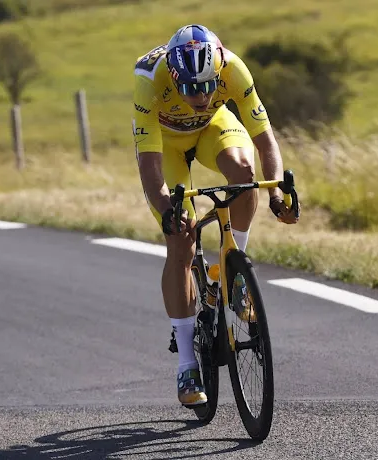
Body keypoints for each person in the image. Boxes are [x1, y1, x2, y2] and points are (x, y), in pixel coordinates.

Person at [132, 24, 299, 407]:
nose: (203, 97)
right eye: (191, 89)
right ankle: (188, 363)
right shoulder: (149, 81)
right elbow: (150, 169)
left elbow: (264, 139)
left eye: (209, 86)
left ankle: (234, 274)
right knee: (180, 239)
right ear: (174, 78)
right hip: (166, 143)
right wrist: (167, 212)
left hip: (213, 131)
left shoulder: (234, 69)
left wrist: (276, 191)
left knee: (244, 175)